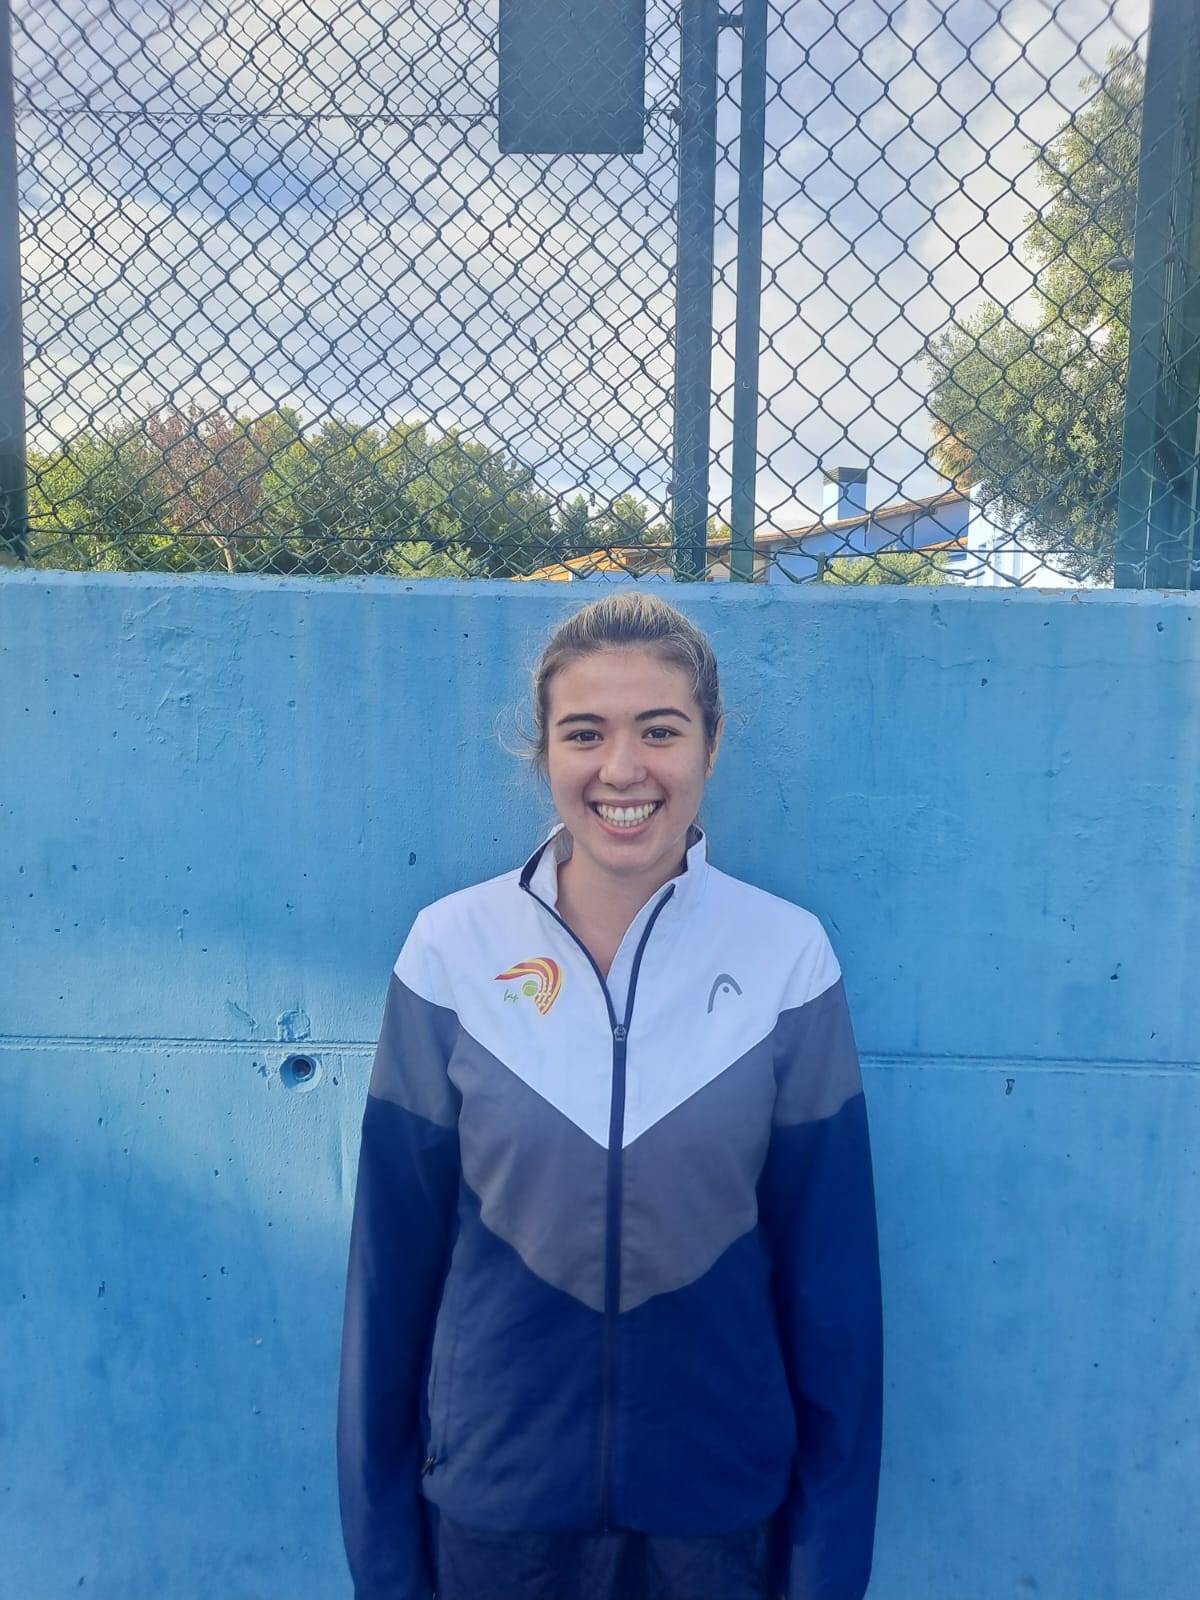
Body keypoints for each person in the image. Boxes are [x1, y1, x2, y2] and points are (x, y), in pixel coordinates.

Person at [337, 590, 883, 1600]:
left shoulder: (786, 957)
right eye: (585, 733)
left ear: (712, 744)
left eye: (660, 731)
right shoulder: (451, 951)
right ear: (543, 750)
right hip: (498, 1508)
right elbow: (389, 1278)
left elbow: (835, 1294)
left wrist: (825, 1572)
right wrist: (385, 1566)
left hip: (716, 1513)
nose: (623, 769)